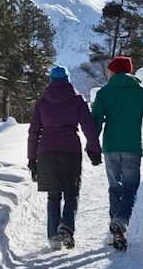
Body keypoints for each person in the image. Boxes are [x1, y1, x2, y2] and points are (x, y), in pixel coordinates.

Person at [90, 56, 143, 251]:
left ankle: (117, 227)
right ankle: (121, 222)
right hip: (132, 148)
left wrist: (93, 146)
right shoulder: (140, 92)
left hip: (111, 147)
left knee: (115, 188)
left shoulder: (104, 93)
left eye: (109, 70)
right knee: (130, 188)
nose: (107, 73)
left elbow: (95, 120)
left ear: (114, 71)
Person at [27, 65, 102, 250]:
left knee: (53, 196)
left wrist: (31, 160)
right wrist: (94, 150)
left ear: (51, 80)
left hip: (46, 152)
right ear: (68, 80)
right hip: (70, 151)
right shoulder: (77, 100)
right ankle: (67, 227)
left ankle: (53, 238)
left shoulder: (42, 102)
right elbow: (88, 128)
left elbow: (33, 133)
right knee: (71, 193)